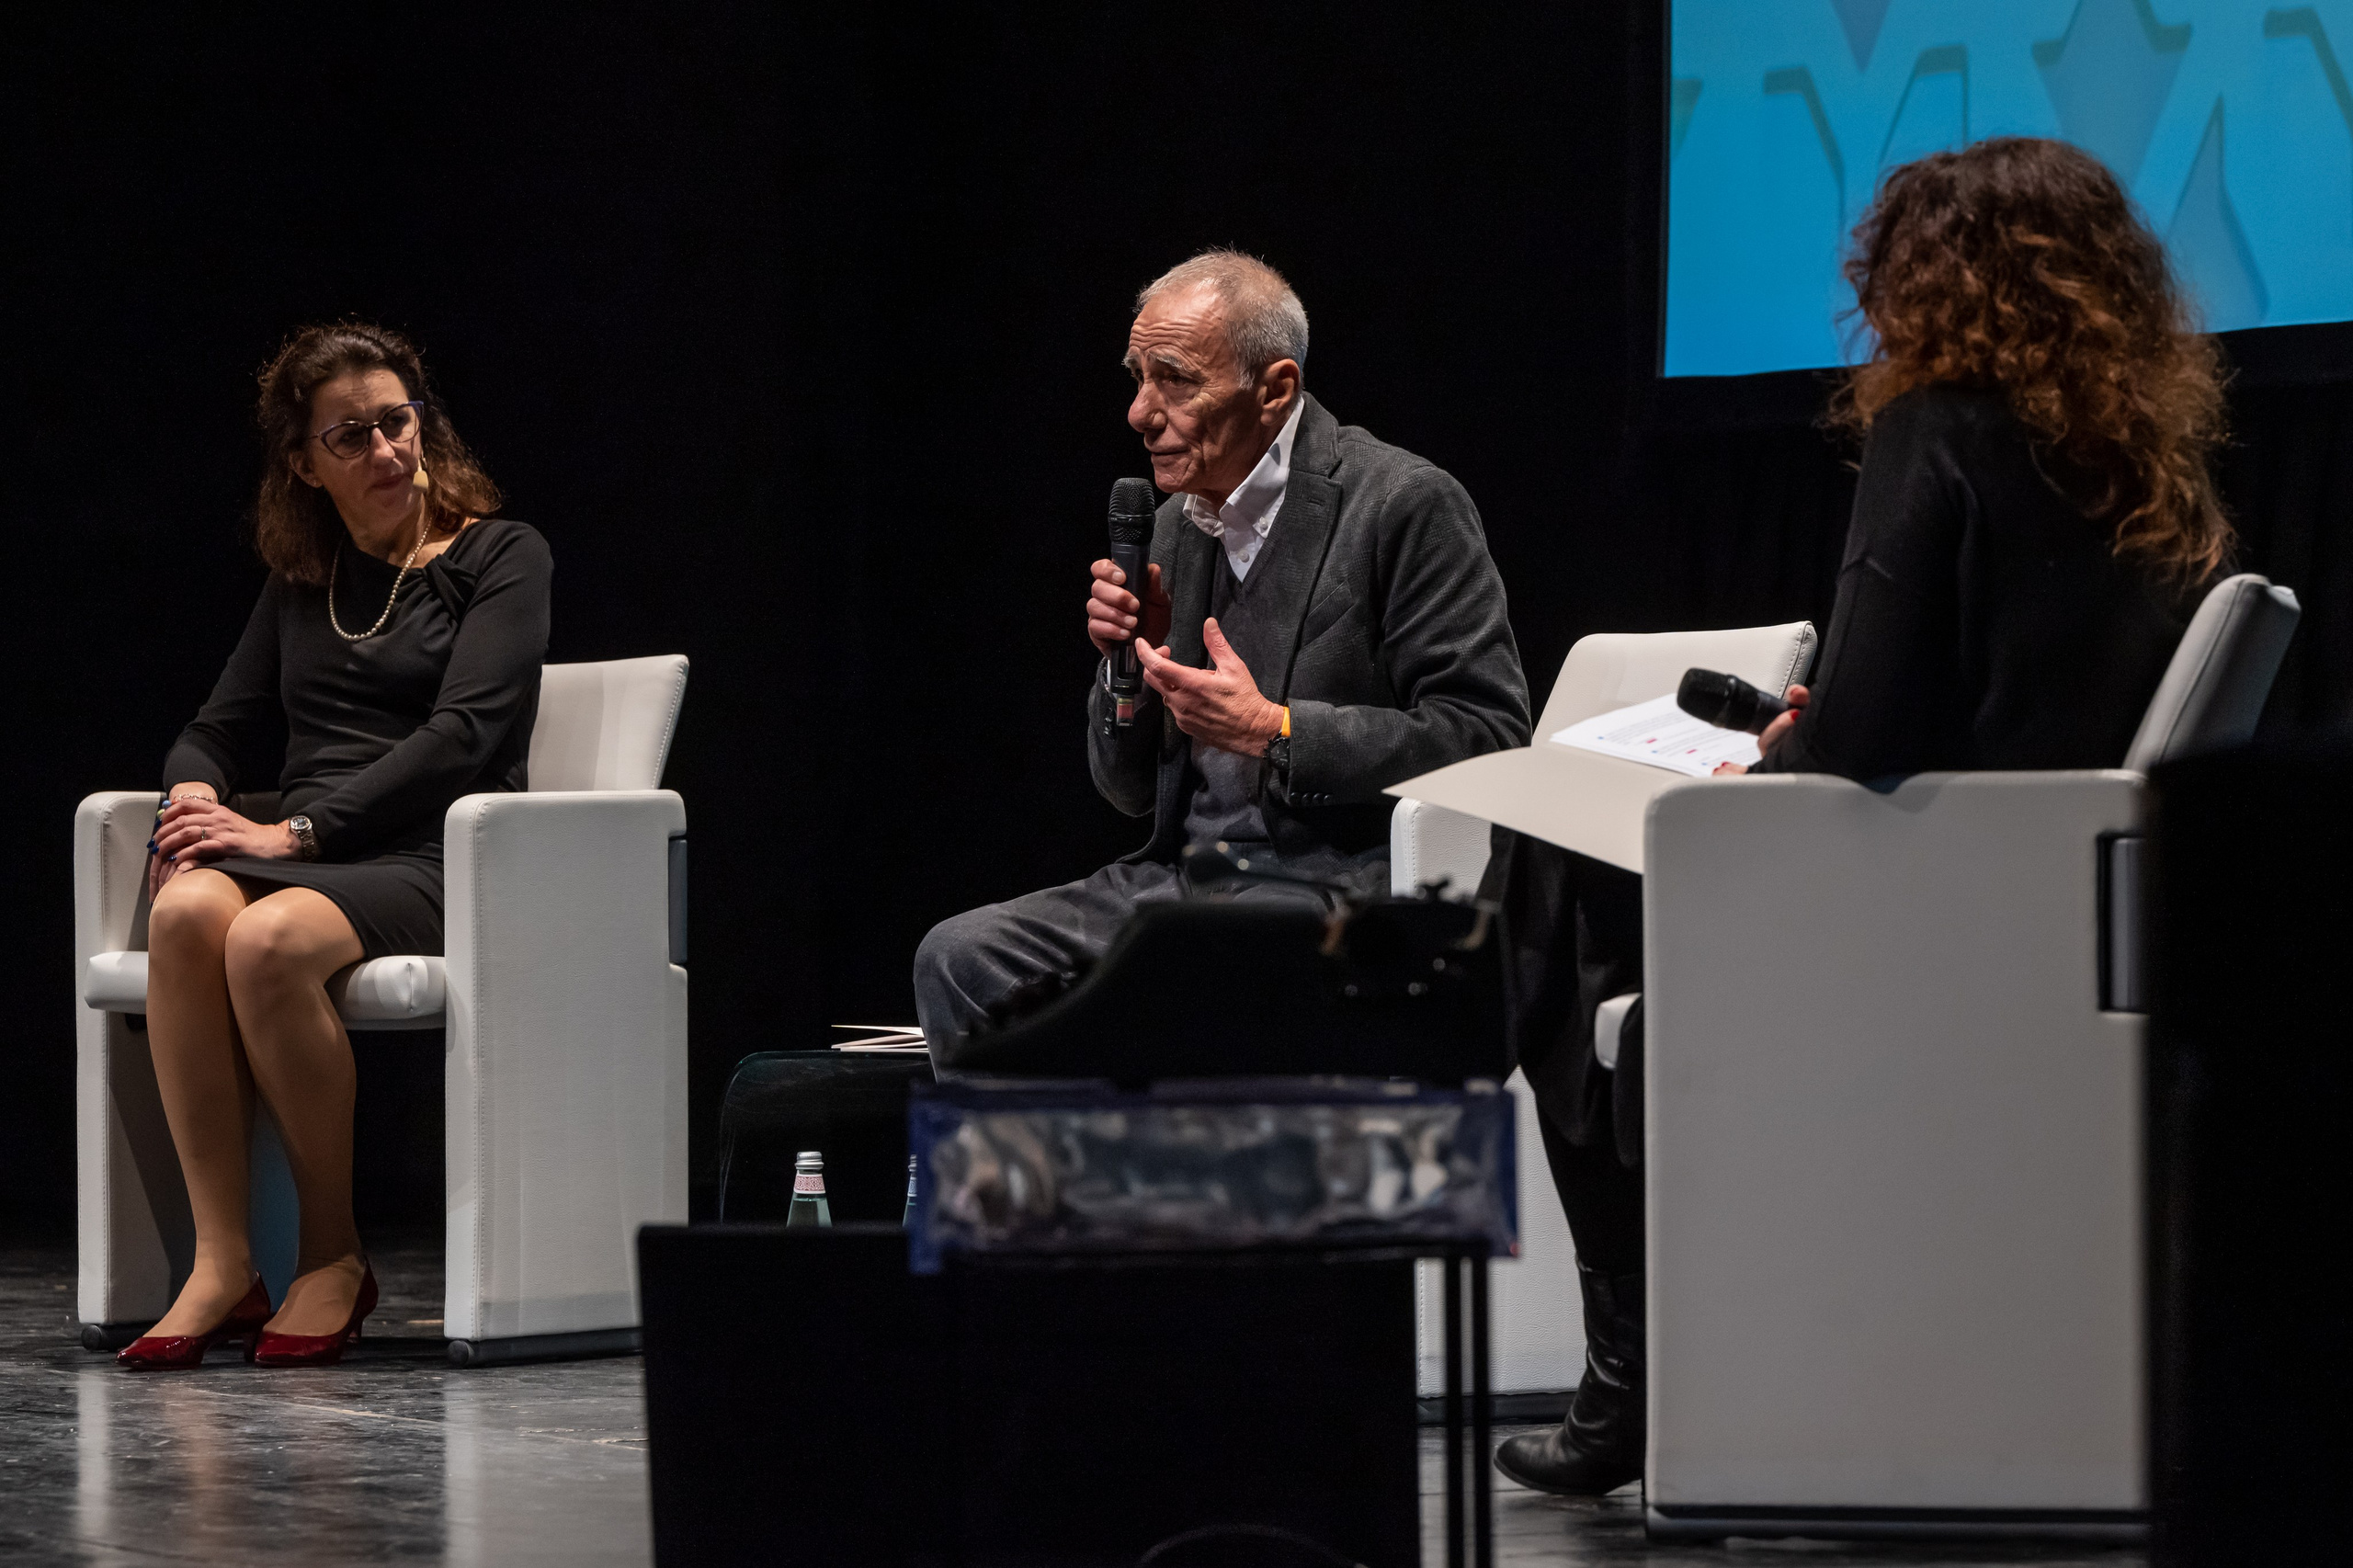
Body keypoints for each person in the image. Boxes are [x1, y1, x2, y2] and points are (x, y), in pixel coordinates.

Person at [1493, 136, 2232, 1495]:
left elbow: (1868, 736)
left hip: (1914, 918)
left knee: (1552, 869)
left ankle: (1631, 1367)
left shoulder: (1935, 428)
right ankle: (1641, 1363)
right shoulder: (2149, 464)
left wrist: (1782, 752)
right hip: (2059, 920)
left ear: (1931, 285)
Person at [915, 250, 1529, 1059]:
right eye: (1137, 376)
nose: (1140, 412)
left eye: (1174, 379)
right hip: (1184, 880)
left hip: (1333, 884)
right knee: (962, 958)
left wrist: (1276, 729)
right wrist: (1124, 664)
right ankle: (1074, 1186)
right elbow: (1128, 791)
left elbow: (1487, 737)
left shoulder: (1403, 504)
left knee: (1196, 960)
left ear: (1274, 390)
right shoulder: (1175, 523)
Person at [118, 323, 551, 1369]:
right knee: (184, 909)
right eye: (350, 435)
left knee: (266, 941)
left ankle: (332, 1253)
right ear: (305, 464)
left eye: (397, 422)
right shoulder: (301, 584)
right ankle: (223, 1260)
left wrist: (295, 830)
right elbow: (219, 723)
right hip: (309, 850)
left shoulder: (499, 555)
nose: (387, 452)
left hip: (438, 853)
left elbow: (468, 735)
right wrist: (191, 793)